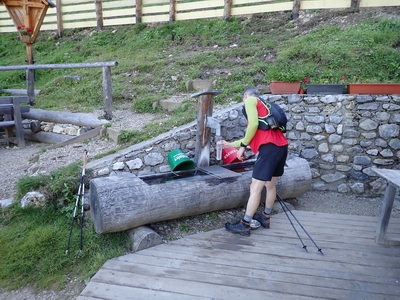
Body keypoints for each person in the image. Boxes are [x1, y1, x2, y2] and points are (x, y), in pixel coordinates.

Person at [220, 86, 288, 236]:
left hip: (269, 149)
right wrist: (230, 145)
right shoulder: (265, 106)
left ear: (245, 96)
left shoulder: (250, 100)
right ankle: (266, 217)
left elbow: (253, 125)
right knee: (270, 185)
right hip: (281, 147)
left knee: (255, 187)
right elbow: (253, 134)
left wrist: (243, 146)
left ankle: (245, 224)